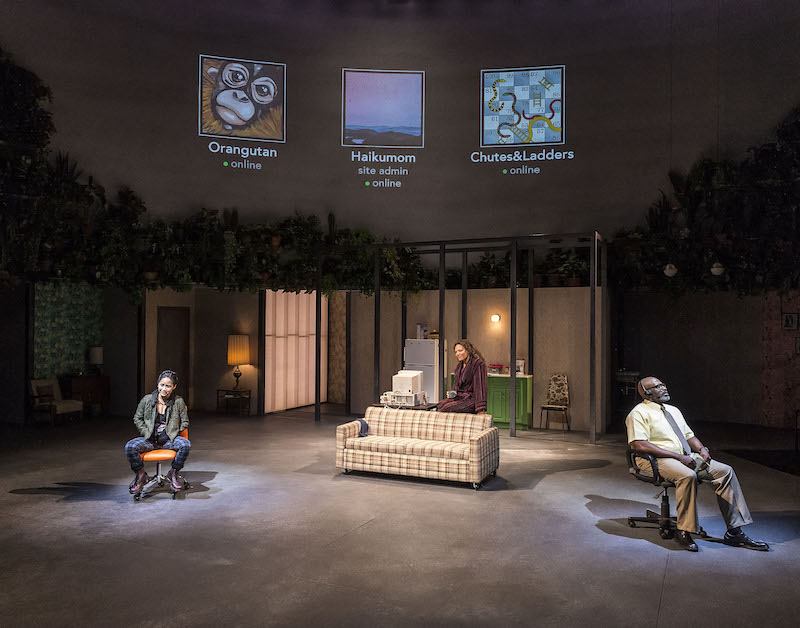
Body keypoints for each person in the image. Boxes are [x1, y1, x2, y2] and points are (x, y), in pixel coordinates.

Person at [626, 376, 768, 552]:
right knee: (687, 475)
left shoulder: (673, 410)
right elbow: (640, 444)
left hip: (682, 456)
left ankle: (734, 531)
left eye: (663, 384)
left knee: (725, 471)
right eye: (658, 386)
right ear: (647, 393)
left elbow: (689, 436)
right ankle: (684, 530)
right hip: (654, 460)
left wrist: (702, 449)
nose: (664, 388)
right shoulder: (638, 413)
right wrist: (678, 457)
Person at [124, 369, 191, 494]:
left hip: (168, 441)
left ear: (174, 387)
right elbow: (137, 418)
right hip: (149, 440)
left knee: (185, 444)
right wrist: (145, 432)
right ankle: (141, 475)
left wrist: (174, 432)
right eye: (162, 385)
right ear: (157, 384)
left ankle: (173, 474)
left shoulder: (178, 402)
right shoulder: (147, 400)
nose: (164, 389)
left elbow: (185, 422)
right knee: (130, 446)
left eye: (168, 386)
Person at [436, 339, 487, 414]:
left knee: (446, 408)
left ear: (468, 350)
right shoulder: (459, 366)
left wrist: (481, 409)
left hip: (472, 400)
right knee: (439, 405)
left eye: (460, 351)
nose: (457, 354)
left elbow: (480, 387)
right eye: (456, 352)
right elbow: (456, 386)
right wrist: (452, 394)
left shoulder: (477, 364)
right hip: (460, 398)